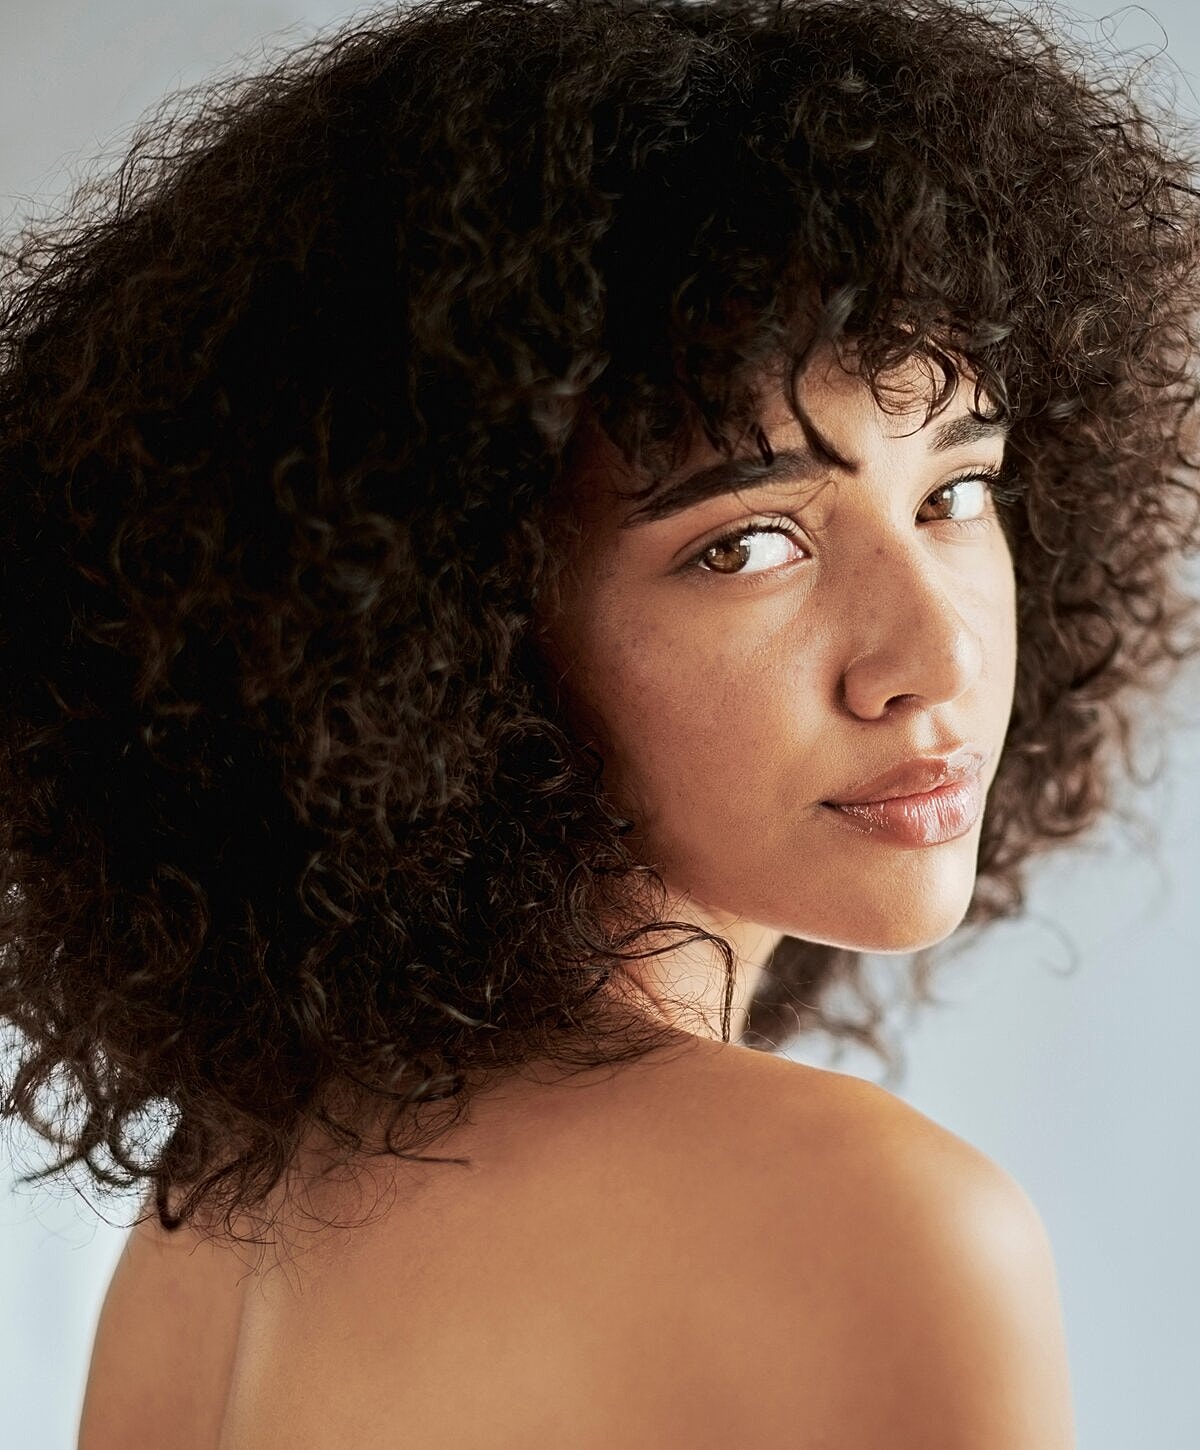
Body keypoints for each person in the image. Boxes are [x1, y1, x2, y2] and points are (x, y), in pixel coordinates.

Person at [1, 0, 1196, 1443]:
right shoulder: (868, 1222)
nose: (934, 653)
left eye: (954, 493)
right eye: (747, 544)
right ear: (447, 630)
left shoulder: (224, 1203)